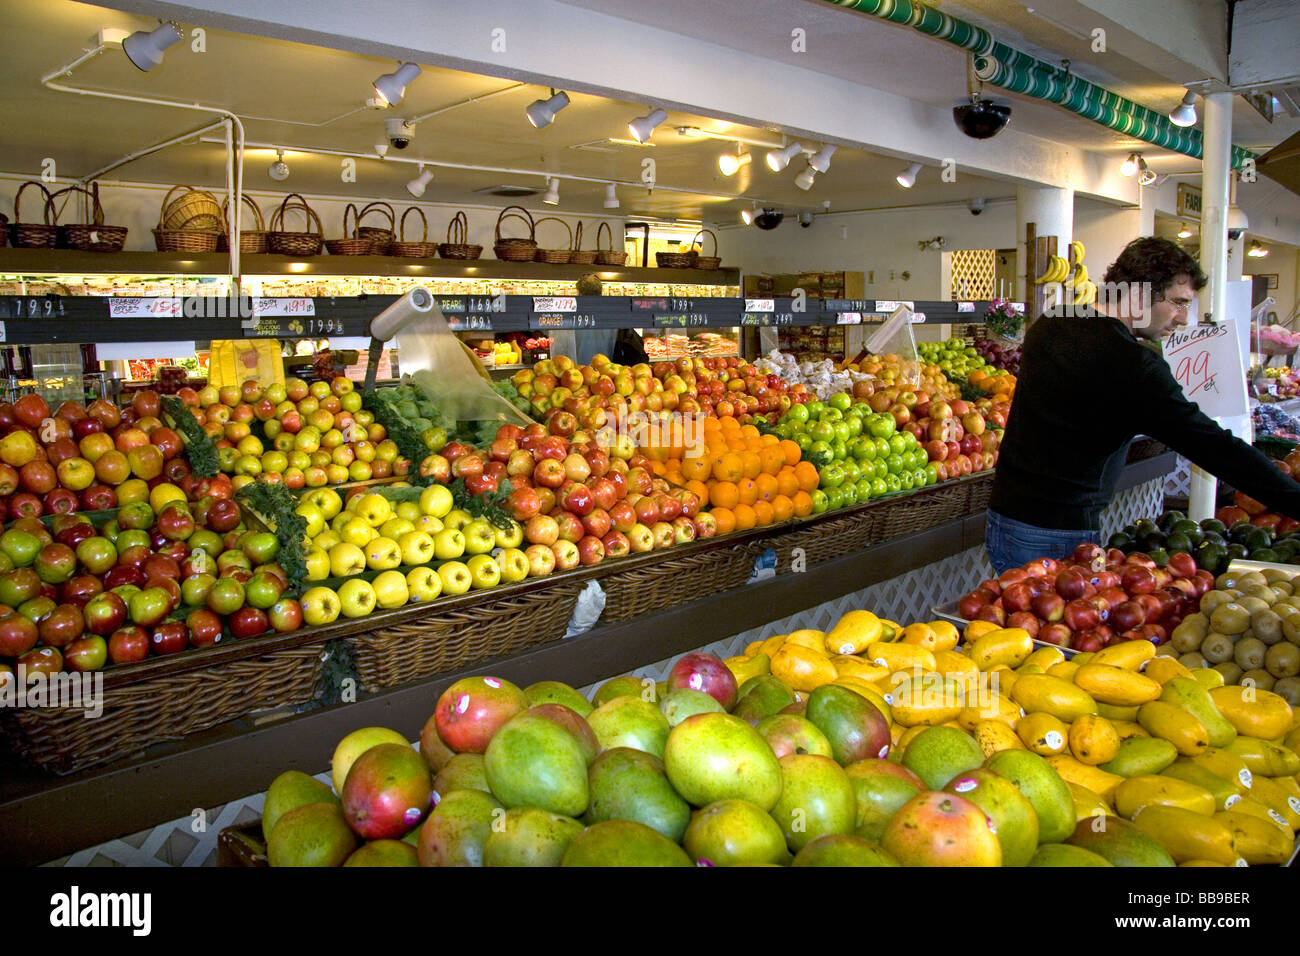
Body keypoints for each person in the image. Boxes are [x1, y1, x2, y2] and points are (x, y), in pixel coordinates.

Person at [985, 236, 1300, 574]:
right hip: (1058, 534)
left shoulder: (1051, 323)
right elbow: (1215, 447)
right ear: (1138, 294)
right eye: (1178, 302)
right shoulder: (1133, 367)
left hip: (1005, 519)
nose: (1182, 318)